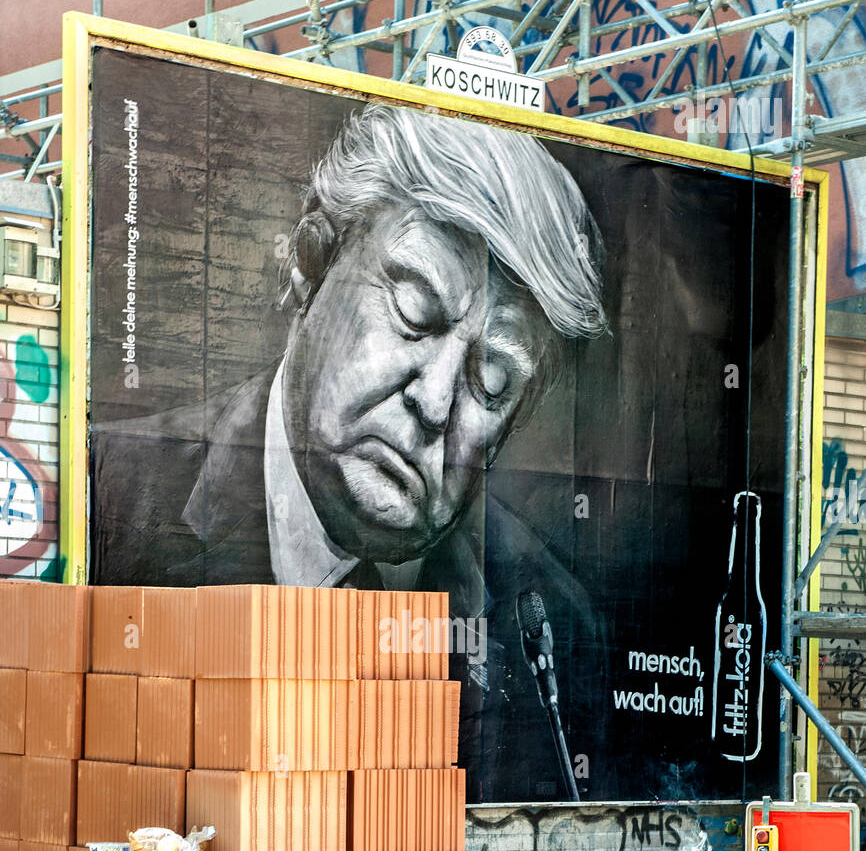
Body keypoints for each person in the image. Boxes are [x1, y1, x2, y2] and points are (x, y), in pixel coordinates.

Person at [90, 102, 610, 799]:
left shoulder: (553, 624)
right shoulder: (108, 494)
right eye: (414, 314)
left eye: (491, 381)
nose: (433, 401)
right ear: (311, 264)